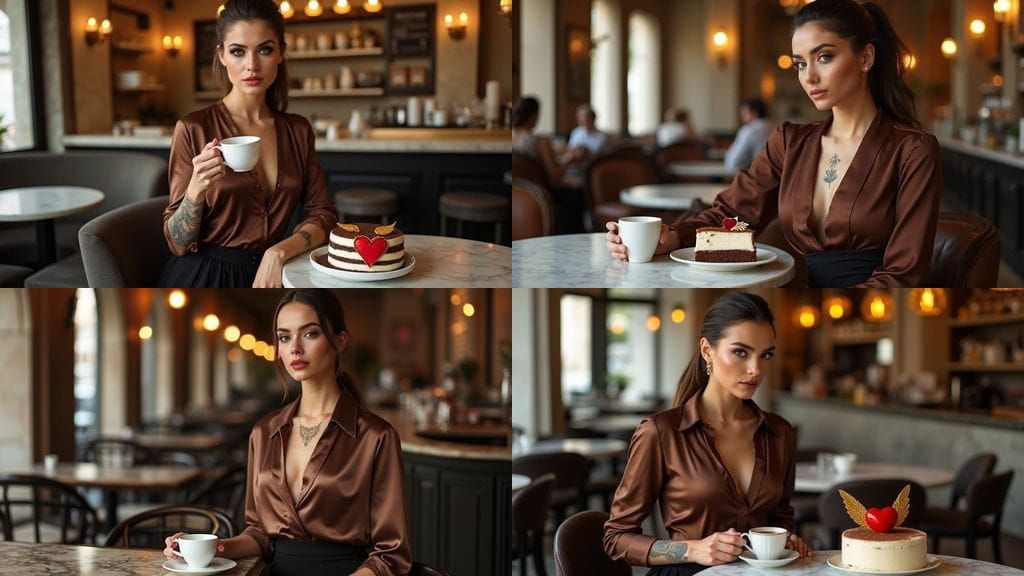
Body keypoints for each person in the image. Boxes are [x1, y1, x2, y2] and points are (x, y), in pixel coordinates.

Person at [606, 0, 941, 287]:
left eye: (824, 57)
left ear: (866, 57)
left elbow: (904, 274)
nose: (809, 76)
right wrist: (674, 237)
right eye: (800, 63)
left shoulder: (913, 150)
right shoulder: (789, 141)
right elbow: (733, 213)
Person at [164, 289, 412, 576]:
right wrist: (213, 547)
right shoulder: (264, 432)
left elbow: (392, 553)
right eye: (284, 337)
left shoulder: (376, 436)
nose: (294, 348)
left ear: (340, 341)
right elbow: (260, 533)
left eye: (310, 334)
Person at [603, 292, 811, 576]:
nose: (755, 369)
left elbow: (780, 516)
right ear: (707, 351)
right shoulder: (660, 433)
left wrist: (784, 541)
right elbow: (616, 538)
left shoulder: (780, 432)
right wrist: (693, 549)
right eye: (740, 352)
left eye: (766, 355)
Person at [160, 0, 337, 288]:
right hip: (206, 277)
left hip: (277, 273)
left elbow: (324, 214)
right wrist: (196, 188)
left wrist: (280, 251)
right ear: (221, 55)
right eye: (238, 52)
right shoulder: (193, 128)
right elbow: (178, 245)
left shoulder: (298, 130)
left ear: (280, 53)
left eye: (265, 50)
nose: (251, 65)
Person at [512, 96, 570, 186]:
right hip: (539, 193)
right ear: (534, 115)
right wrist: (570, 159)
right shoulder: (541, 141)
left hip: (517, 193)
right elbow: (555, 178)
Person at [723, 99, 773, 171]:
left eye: (744, 112)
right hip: (778, 177)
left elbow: (734, 162)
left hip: (757, 177)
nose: (741, 116)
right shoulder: (775, 127)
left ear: (755, 112)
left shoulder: (749, 130)